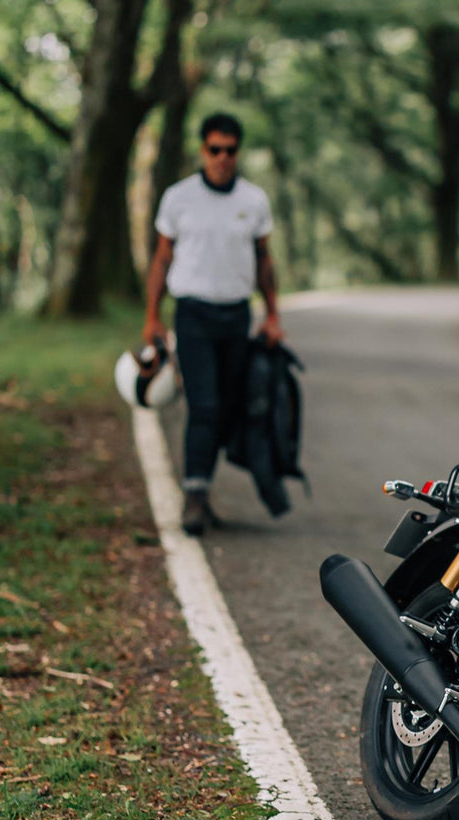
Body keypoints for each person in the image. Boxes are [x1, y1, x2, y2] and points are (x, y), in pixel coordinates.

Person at [142, 112, 284, 535]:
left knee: (226, 408)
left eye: (230, 150)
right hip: (193, 316)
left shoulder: (253, 200)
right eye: (214, 149)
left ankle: (202, 489)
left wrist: (273, 314)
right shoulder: (178, 198)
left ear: (238, 153)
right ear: (202, 151)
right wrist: (151, 316)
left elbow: (264, 260)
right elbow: (162, 258)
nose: (222, 157)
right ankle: (195, 497)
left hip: (236, 316)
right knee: (203, 405)